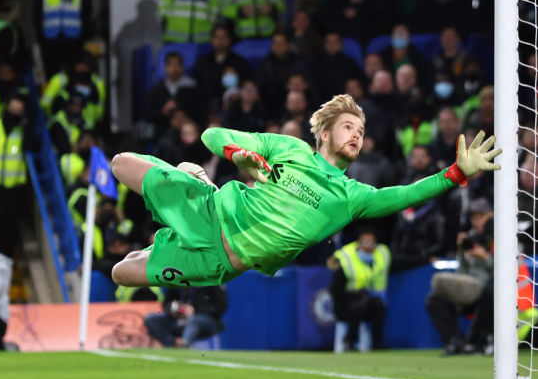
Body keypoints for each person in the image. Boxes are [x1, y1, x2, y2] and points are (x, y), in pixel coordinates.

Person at [108, 94, 502, 289]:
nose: (357, 135)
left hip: (220, 263)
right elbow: (213, 134)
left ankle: (174, 217)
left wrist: (454, 174)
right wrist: (238, 155)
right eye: (349, 127)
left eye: (361, 132)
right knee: (120, 163)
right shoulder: (291, 149)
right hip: (210, 211)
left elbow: (404, 195)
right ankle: (194, 179)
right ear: (327, 133)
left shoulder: (352, 198)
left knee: (122, 272)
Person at [424, 198, 495, 355]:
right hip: (468, 288)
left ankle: (475, 342)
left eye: (481, 216)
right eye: (473, 217)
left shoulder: (501, 239)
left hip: (488, 291)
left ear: (491, 216)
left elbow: (506, 271)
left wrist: (485, 257)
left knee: (490, 292)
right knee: (434, 299)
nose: (476, 221)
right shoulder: (470, 238)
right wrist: (462, 253)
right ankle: (453, 341)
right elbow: (461, 272)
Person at [0, 93, 39, 257]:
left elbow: (31, 144)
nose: (14, 114)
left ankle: (2, 259)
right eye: (12, 109)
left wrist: (27, 125)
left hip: (12, 191)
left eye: (19, 111)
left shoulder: (22, 130)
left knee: (8, 229)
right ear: (5, 108)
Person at [328, 228, 391, 351]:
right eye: (365, 243)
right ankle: (349, 342)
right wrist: (357, 295)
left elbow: (401, 261)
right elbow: (335, 291)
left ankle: (376, 345)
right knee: (358, 306)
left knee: (378, 306)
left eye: (371, 243)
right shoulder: (346, 261)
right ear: (359, 244)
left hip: (368, 301)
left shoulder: (380, 256)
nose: (368, 247)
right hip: (345, 304)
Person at [144, 285, 228, 348]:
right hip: (178, 320)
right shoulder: (176, 277)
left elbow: (221, 305)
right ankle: (173, 345)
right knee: (151, 319)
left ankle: (185, 346)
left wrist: (195, 310)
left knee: (193, 320)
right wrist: (174, 309)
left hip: (205, 321)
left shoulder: (210, 278)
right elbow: (166, 303)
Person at [144, 51, 203, 137]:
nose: (174, 68)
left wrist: (183, 115)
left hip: (190, 132)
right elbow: (148, 116)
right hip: (164, 134)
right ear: (165, 68)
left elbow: (201, 113)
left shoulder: (192, 88)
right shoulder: (157, 90)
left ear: (182, 67)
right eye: (171, 65)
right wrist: (163, 112)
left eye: (177, 64)